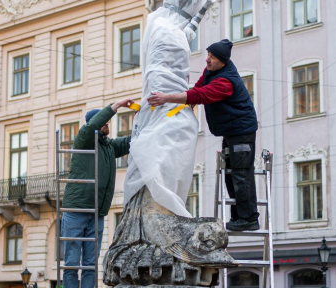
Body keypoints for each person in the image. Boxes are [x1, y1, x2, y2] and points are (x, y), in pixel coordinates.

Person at [147, 39, 260, 231]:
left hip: (241, 132)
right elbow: (198, 89)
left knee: (241, 175)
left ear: (222, 61)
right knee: (231, 175)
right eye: (208, 54)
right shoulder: (212, 71)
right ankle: (238, 217)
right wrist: (188, 99)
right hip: (232, 132)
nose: (207, 59)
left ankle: (249, 219)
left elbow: (201, 95)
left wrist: (167, 98)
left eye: (212, 57)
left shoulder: (225, 81)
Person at [61, 98, 136, 288]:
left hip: (97, 212)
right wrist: (116, 106)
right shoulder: (84, 139)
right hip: (76, 210)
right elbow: (93, 124)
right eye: (104, 121)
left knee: (90, 264)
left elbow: (131, 141)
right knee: (71, 263)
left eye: (108, 122)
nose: (107, 124)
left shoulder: (109, 146)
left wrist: (140, 119)